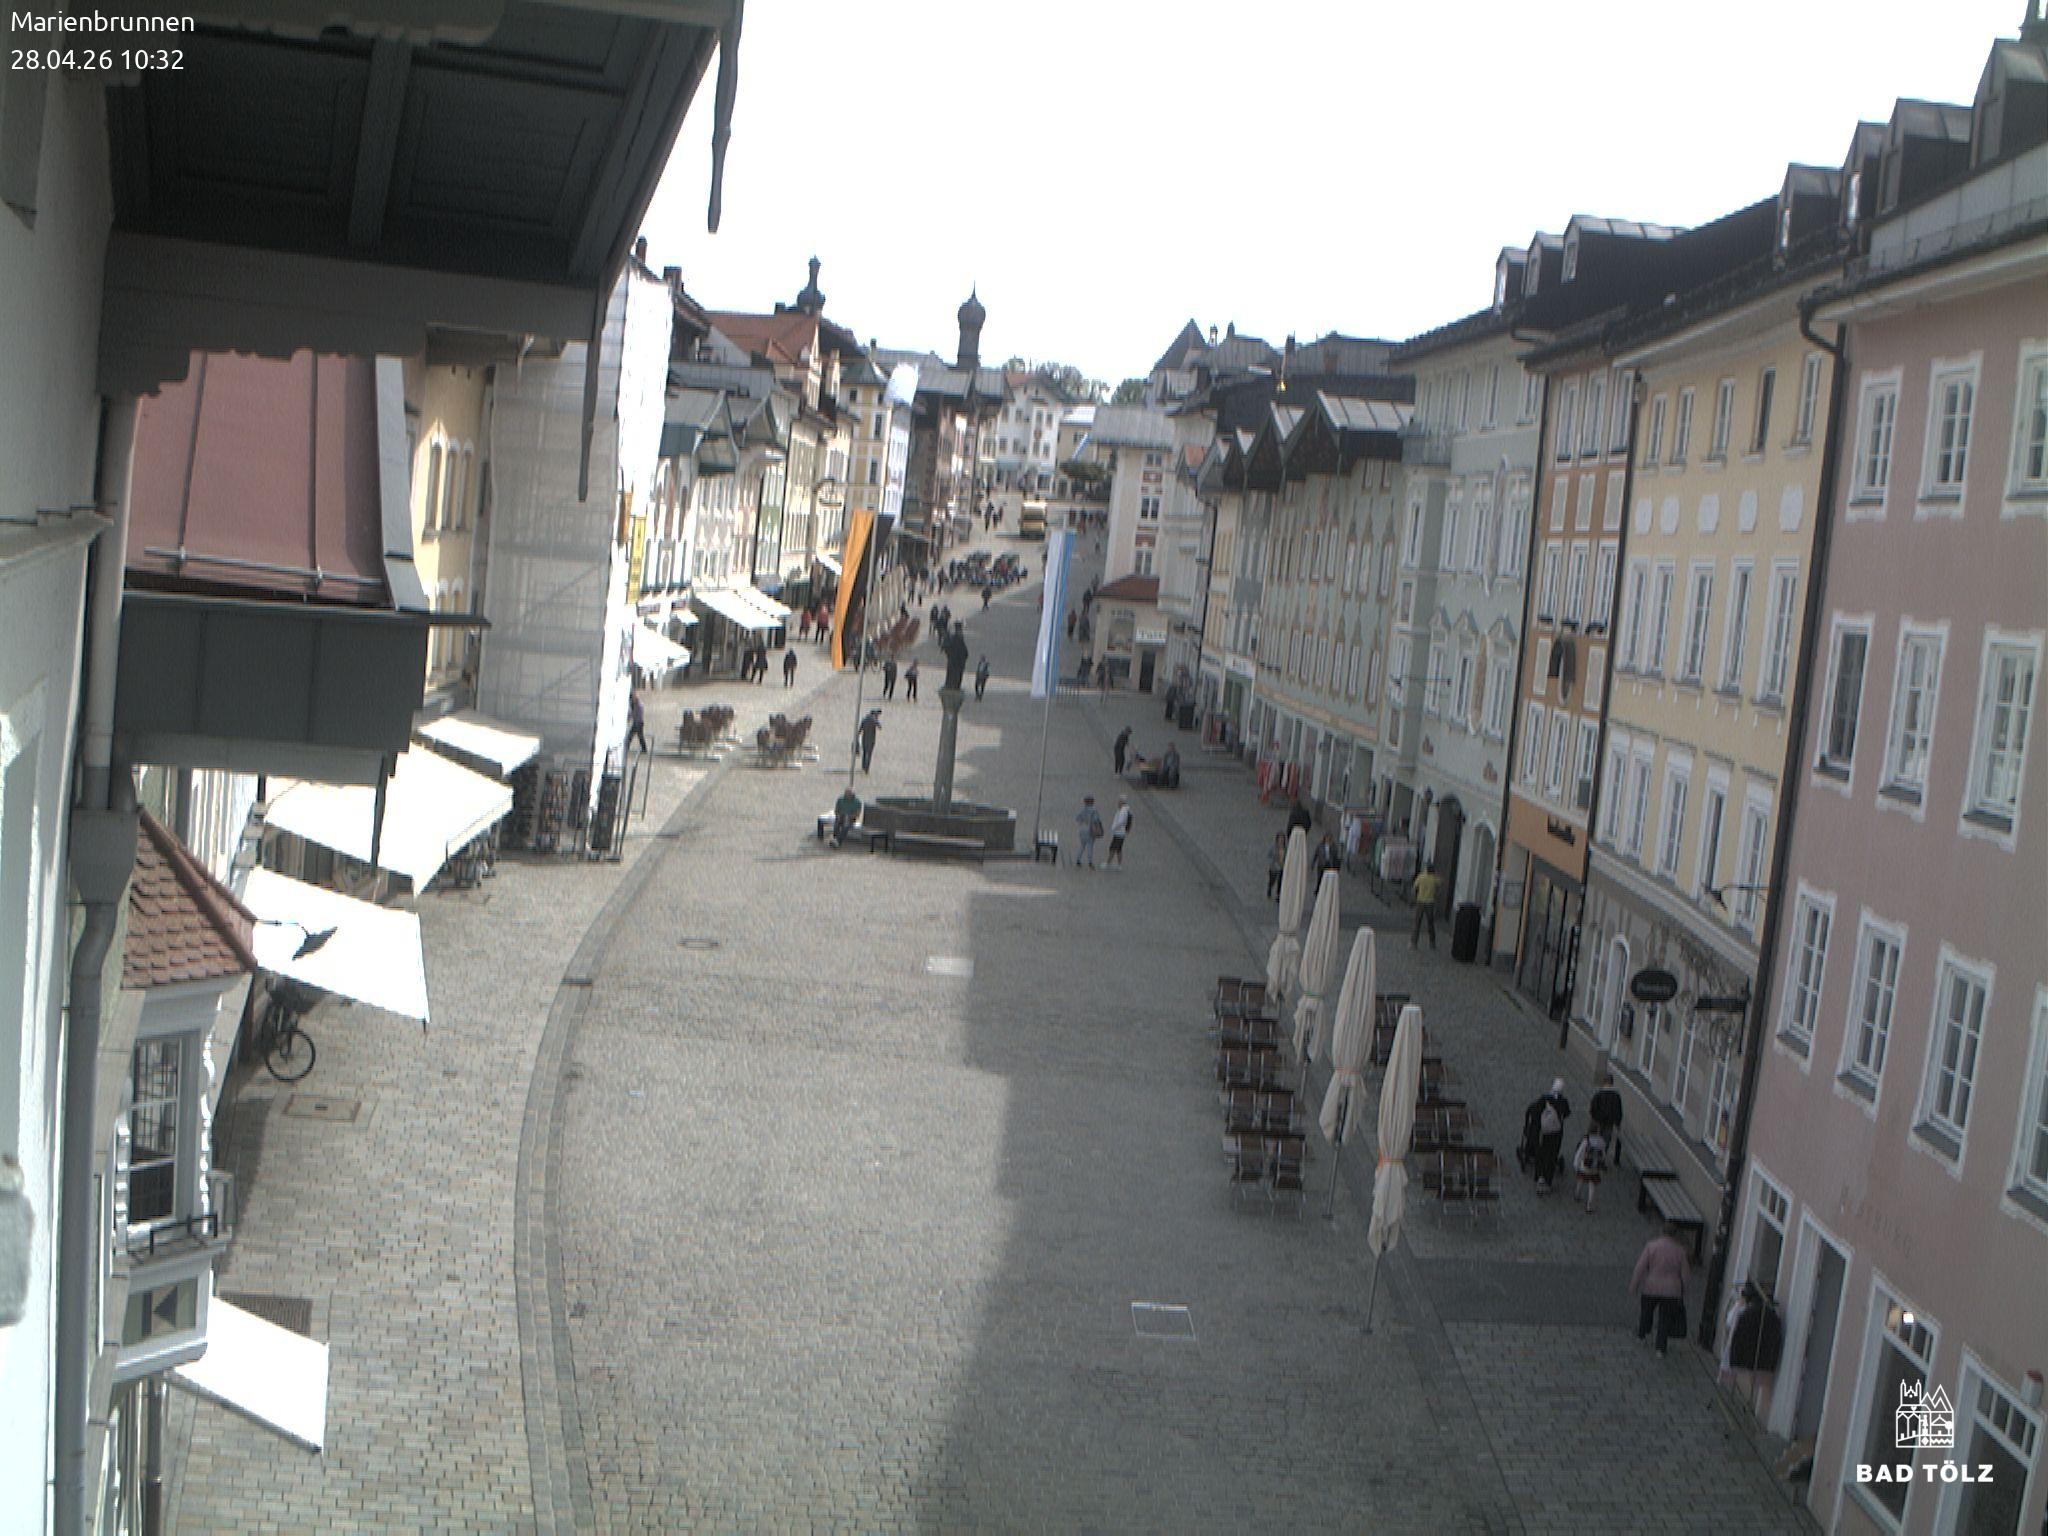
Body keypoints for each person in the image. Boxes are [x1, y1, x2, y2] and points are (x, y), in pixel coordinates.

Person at [1631, 1222, 1691, 1356]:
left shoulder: (1651, 1247)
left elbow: (1640, 1268)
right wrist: (1685, 1290)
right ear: (1675, 1234)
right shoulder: (1680, 1251)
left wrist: (1634, 1286)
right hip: (1672, 1291)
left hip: (1651, 1287)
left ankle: (1642, 1335)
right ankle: (1660, 1348)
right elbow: (1685, 1274)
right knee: (1665, 1319)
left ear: (1661, 1231)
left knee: (1646, 1312)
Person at [1533, 1077, 1571, 1191]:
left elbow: (1535, 1112)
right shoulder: (1563, 1101)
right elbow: (1567, 1113)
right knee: (1552, 1155)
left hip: (1544, 1132)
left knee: (1542, 1153)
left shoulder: (1544, 1098)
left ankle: (1539, 1176)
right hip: (1556, 1133)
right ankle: (1548, 1179)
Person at [1589, 1072, 1625, 1169]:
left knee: (1594, 1140)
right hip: (1610, 1123)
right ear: (1612, 1083)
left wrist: (1595, 1119)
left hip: (1598, 1122)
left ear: (1604, 1082)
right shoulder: (1616, 1096)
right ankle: (1601, 1160)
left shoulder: (1598, 1094)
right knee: (1606, 1141)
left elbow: (1592, 1109)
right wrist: (1618, 1123)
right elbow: (1619, 1111)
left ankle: (1593, 1158)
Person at [1571, 1125, 1607, 1213]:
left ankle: (1577, 1194)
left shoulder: (1586, 1141)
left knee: (1581, 1180)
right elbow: (1603, 1155)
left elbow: (1579, 1154)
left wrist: (1576, 1165)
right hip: (1595, 1168)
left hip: (1585, 1166)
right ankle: (1589, 1205)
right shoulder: (1601, 1141)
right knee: (1592, 1186)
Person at [1411, 863, 1442, 948]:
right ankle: (1432, 943)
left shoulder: (1421, 877)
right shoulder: (1434, 879)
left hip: (1420, 901)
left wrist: (1414, 898)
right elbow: (1440, 884)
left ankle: (1414, 943)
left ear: (1426, 869)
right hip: (1430, 903)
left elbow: (1414, 888)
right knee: (1430, 923)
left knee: (1417, 923)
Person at [1075, 795, 1102, 868]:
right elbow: (1096, 821)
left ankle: (1078, 860)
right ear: (1092, 802)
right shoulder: (1094, 811)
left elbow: (1077, 819)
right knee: (1090, 846)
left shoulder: (1083, 810)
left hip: (1082, 829)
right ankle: (1090, 862)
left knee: (1082, 845)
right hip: (1090, 830)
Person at [1107, 797, 1133, 867]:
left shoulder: (1123, 811)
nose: (1118, 803)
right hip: (1121, 833)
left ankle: (1108, 863)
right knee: (1118, 849)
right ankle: (1118, 864)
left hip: (1119, 832)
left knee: (1113, 848)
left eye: (1119, 802)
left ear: (1122, 802)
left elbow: (1120, 821)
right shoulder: (1126, 810)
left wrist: (1114, 827)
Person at [856, 709, 881, 774]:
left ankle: (863, 766)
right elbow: (880, 727)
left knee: (864, 753)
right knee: (869, 754)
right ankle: (867, 768)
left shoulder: (864, 719)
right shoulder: (874, 720)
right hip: (871, 740)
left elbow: (859, 730)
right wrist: (877, 721)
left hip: (864, 739)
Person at [626, 690, 649, 754]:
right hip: (636, 722)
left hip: (638, 723)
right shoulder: (633, 705)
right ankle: (643, 748)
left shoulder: (639, 705)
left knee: (638, 736)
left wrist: (631, 718)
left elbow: (637, 715)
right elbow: (631, 713)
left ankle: (644, 749)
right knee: (636, 736)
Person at [1266, 832, 1288, 900]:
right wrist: (1272, 863)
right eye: (1280, 839)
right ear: (1277, 839)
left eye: (1282, 839)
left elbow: (1287, 857)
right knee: (1272, 881)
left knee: (1280, 882)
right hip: (1274, 868)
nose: (1281, 840)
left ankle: (1278, 895)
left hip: (1282, 868)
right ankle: (1269, 888)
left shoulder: (1286, 848)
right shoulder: (1273, 847)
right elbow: (1269, 856)